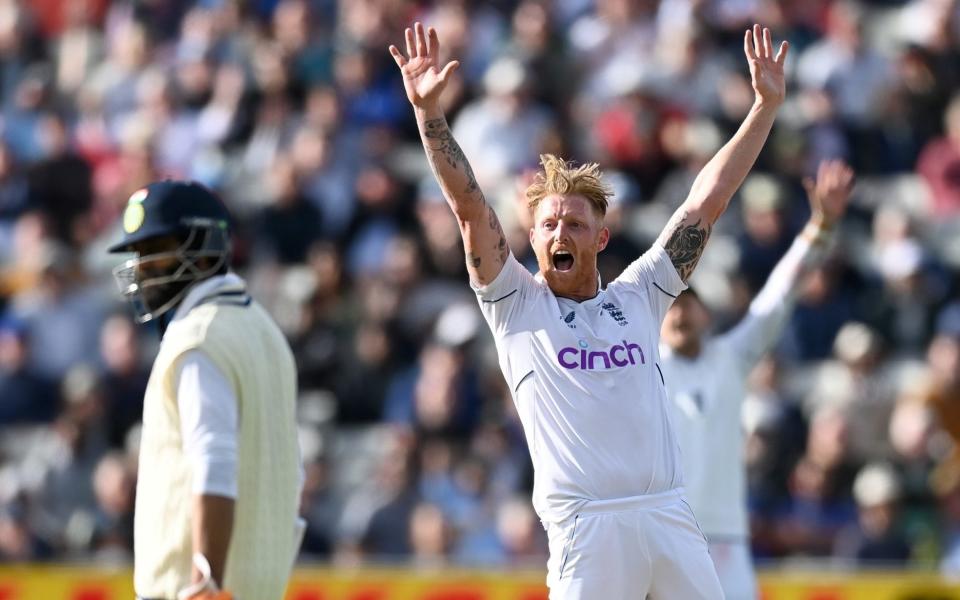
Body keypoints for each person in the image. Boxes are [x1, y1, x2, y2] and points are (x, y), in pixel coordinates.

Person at [391, 21, 789, 599]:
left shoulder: (640, 296)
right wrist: (430, 116)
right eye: (548, 223)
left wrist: (764, 108)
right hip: (587, 528)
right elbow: (469, 208)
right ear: (532, 238)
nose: (560, 232)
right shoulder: (516, 305)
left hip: (669, 516)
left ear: (600, 239)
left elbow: (708, 200)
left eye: (575, 223)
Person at [659, 160, 854, 599]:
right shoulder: (641, 365)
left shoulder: (730, 356)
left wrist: (821, 227)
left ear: (707, 314)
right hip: (662, 537)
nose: (679, 312)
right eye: (670, 305)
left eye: (688, 303)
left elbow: (782, 292)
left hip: (725, 538)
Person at [108, 181, 304, 600]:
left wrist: (207, 579)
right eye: (138, 254)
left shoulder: (199, 337)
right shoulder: (266, 332)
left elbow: (213, 460)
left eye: (154, 250)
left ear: (202, 246)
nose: (141, 267)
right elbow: (292, 474)